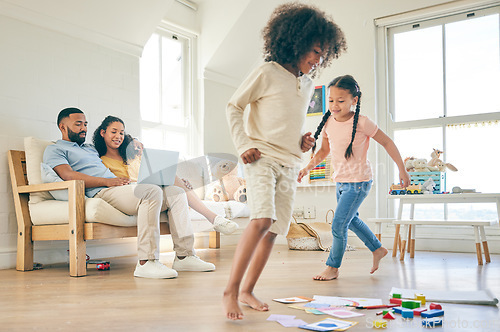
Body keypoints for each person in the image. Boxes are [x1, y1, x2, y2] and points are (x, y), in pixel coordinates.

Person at [223, 3, 347, 320]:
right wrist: (244, 144)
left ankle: (249, 289)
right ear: (296, 42)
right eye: (315, 51)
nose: (319, 60)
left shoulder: (306, 83)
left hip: (290, 162)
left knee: (276, 228)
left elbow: (285, 124)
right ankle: (231, 291)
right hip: (260, 157)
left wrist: (303, 143)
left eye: (323, 54)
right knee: (262, 219)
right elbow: (234, 107)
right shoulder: (266, 72)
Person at [43, 107, 216, 279]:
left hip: (119, 187)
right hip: (101, 191)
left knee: (176, 192)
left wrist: (134, 142)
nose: (83, 128)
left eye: (85, 124)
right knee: (151, 191)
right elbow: (68, 175)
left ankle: (185, 256)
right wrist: (107, 181)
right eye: (78, 124)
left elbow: (115, 146)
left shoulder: (90, 148)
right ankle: (146, 262)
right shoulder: (55, 149)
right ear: (62, 127)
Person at [297, 75, 411, 281]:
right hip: (340, 181)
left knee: (338, 225)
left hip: (359, 182)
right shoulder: (329, 123)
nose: (335, 105)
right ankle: (377, 249)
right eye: (331, 100)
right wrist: (307, 168)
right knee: (351, 220)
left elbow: (387, 142)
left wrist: (402, 169)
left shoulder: (362, 123)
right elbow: (323, 151)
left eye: (341, 101)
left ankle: (333, 267)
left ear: (354, 100)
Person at [92, 115, 239, 235]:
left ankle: (189, 251)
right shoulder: (101, 161)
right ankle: (213, 217)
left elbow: (147, 172)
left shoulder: (132, 157)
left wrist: (179, 182)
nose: (118, 136)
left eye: (121, 132)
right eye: (114, 132)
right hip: (131, 192)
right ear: (103, 133)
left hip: (149, 185)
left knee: (177, 187)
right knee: (173, 184)